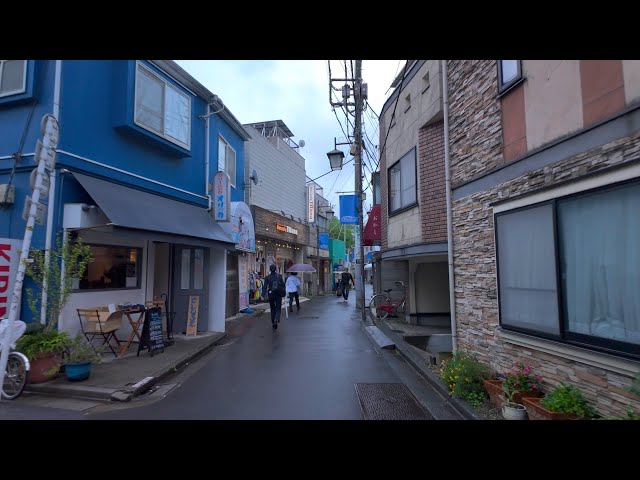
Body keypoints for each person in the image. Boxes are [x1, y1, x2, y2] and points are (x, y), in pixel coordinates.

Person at [262, 264, 285, 329]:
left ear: (270, 269)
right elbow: (283, 285)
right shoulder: (279, 276)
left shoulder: (267, 277)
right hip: (278, 294)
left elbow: (265, 287)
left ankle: (273, 321)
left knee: (272, 308)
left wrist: (262, 295)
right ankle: (276, 318)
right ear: (276, 269)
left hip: (271, 294)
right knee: (278, 307)